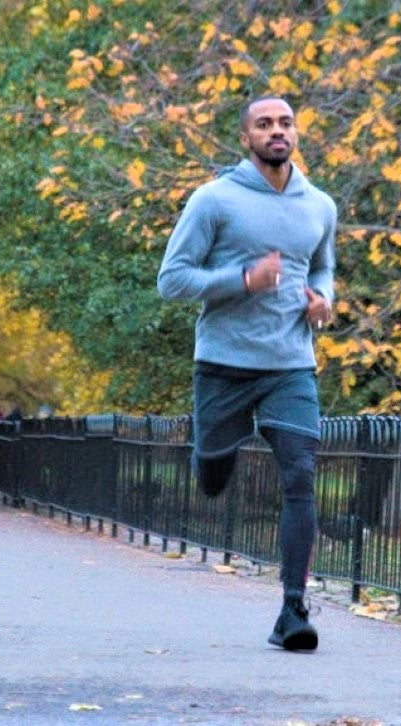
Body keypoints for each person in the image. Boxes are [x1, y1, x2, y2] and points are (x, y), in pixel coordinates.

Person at [157, 96, 336, 652]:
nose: (276, 131)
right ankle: (212, 454)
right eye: (265, 124)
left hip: (290, 365)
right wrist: (243, 279)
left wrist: (323, 301)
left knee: (301, 475)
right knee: (212, 478)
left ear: (296, 132)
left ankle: (292, 610)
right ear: (247, 137)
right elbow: (173, 280)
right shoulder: (215, 200)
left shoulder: (320, 205)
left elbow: (323, 264)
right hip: (224, 365)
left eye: (285, 123)